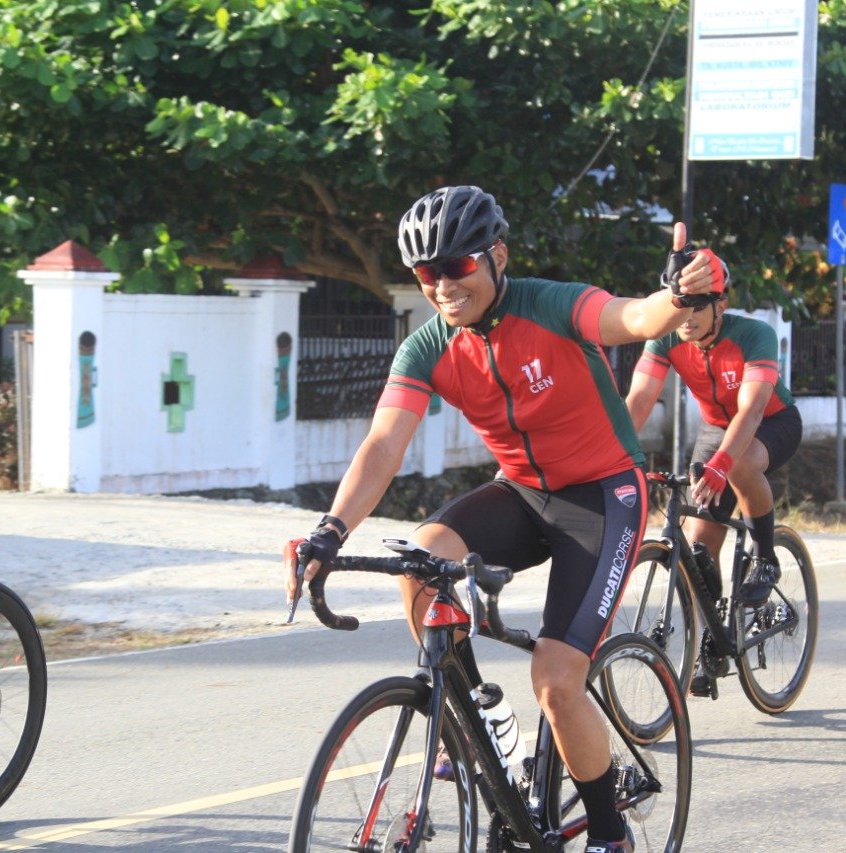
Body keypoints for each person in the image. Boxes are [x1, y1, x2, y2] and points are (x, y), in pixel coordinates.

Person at [284, 185, 722, 853]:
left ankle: (609, 836)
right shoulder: (428, 346)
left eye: (457, 266)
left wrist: (680, 296)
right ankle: (475, 724)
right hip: (521, 490)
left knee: (555, 679)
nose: (442, 285)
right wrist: (330, 531)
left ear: (497, 257)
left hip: (603, 495)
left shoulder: (549, 305)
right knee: (422, 556)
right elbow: (383, 444)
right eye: (426, 272)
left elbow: (633, 318)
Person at [623, 278, 801, 695]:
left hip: (771, 422)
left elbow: (752, 409)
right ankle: (714, 639)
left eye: (696, 307)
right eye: (679, 306)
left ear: (720, 305)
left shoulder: (754, 335)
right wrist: (612, 456)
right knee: (699, 542)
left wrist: (722, 464)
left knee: (740, 466)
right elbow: (639, 400)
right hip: (716, 429)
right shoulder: (666, 336)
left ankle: (765, 558)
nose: (685, 317)